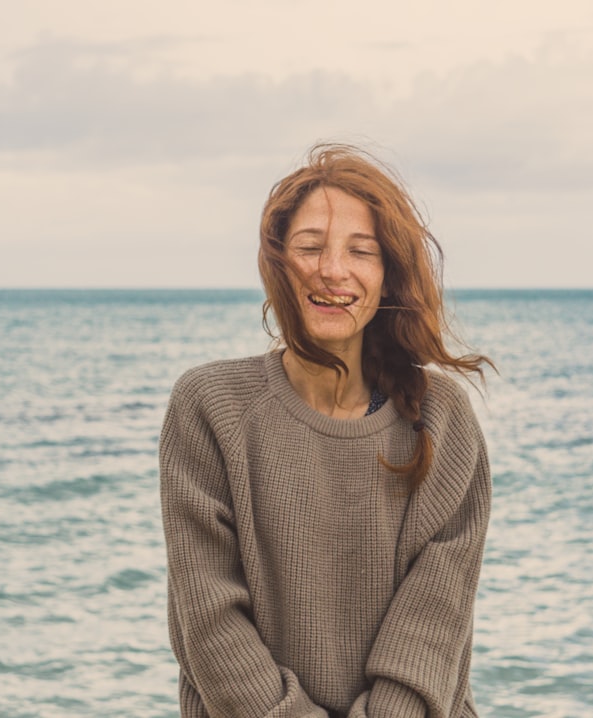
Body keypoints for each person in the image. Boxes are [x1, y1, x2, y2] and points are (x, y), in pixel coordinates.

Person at [159, 143, 493, 718]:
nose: (332, 270)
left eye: (360, 252)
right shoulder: (209, 407)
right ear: (277, 266)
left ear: (387, 278)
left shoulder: (442, 419)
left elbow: (433, 625)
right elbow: (211, 621)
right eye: (310, 247)